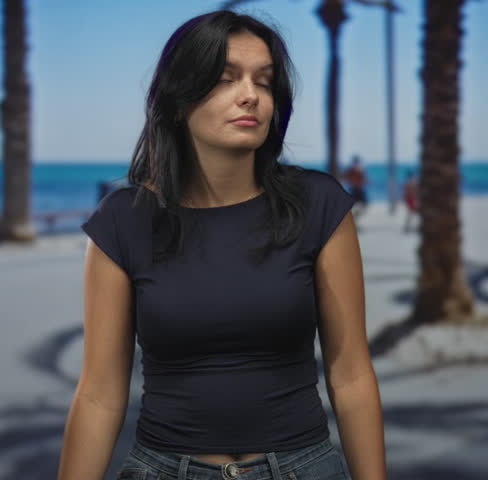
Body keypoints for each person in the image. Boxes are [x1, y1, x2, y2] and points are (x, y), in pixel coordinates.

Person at [58, 10, 387, 480]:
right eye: (225, 79)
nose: (250, 95)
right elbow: (98, 393)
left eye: (265, 82)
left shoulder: (318, 205)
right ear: (177, 100)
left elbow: (351, 373)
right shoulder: (123, 222)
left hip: (302, 468)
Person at [340, 154, 369, 220]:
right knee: (359, 206)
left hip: (357, 189)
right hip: (355, 189)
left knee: (362, 206)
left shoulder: (359, 169)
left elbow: (364, 180)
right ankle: (354, 219)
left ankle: (354, 219)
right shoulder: (353, 170)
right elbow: (344, 177)